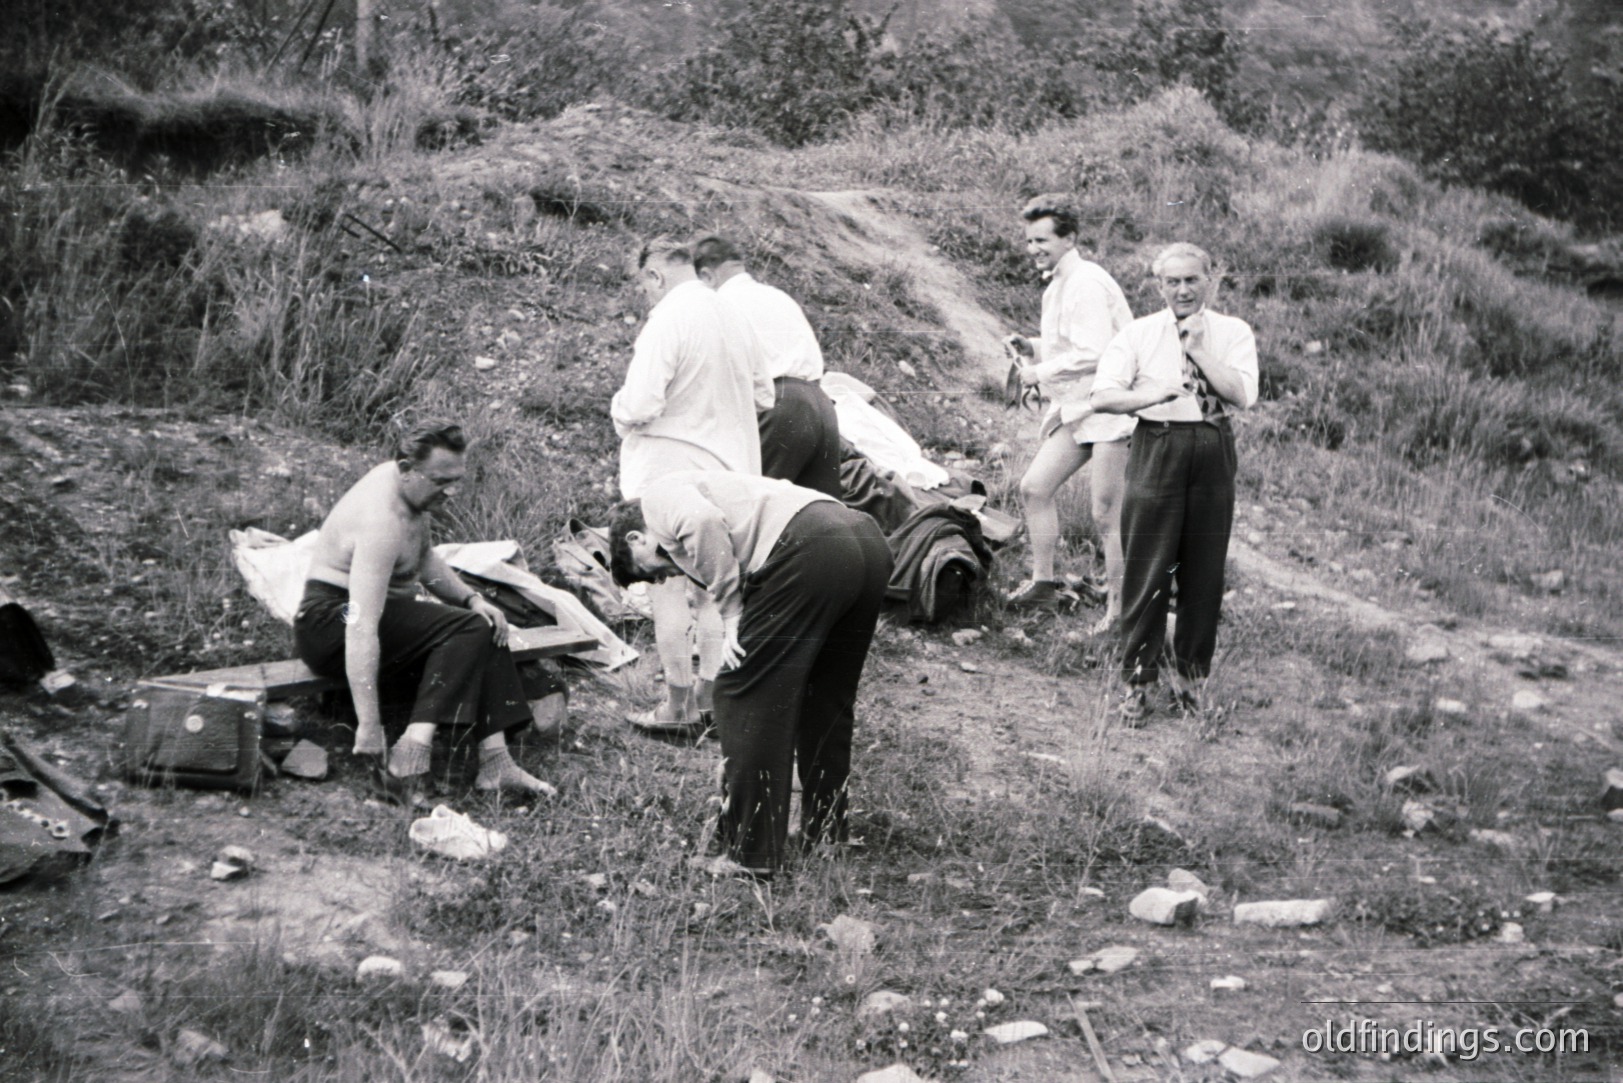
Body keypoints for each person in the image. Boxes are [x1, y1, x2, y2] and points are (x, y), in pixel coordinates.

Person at [607, 471, 891, 877]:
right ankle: (827, 832)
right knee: (824, 696)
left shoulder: (658, 496)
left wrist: (732, 612)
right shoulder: (716, 491)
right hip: (863, 539)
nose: (663, 577)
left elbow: (702, 522)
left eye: (650, 571)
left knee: (742, 693)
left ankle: (751, 855)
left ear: (636, 539)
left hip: (811, 545)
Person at [293, 420, 559, 799]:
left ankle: (496, 764)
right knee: (468, 629)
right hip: (331, 624)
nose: (451, 491)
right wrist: (369, 725)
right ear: (406, 470)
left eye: (457, 479)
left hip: (372, 617)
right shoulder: (380, 520)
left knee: (483, 623)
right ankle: (407, 759)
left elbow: (424, 558)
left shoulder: (408, 491)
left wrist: (471, 599)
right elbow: (360, 626)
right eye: (440, 481)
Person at [1090, 242, 1259, 722]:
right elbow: (1102, 396)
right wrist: (1148, 394)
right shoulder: (1139, 333)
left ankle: (1190, 681)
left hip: (1211, 446)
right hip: (1157, 444)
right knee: (1149, 567)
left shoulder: (1233, 331)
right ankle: (1138, 683)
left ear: (1210, 280)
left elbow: (1242, 395)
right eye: (1172, 281)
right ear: (1159, 285)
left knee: (1204, 572)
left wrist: (1200, 350)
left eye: (1192, 280)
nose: (1182, 289)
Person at [612, 238, 775, 731]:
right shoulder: (733, 314)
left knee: (667, 590)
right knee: (711, 592)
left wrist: (618, 412)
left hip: (667, 468)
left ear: (656, 276)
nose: (646, 297)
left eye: (644, 286)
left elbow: (639, 403)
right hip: (728, 471)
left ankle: (676, 707)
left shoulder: (668, 318)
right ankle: (709, 702)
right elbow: (765, 395)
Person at [1002, 195, 1135, 633]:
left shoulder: (1086, 282)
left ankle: (1119, 615)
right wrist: (1034, 349)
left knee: (1105, 514)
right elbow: (1072, 345)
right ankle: (1044, 585)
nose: (1033, 248)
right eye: (1029, 240)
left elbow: (1095, 352)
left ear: (1070, 238)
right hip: (1079, 408)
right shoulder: (1059, 281)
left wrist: (1037, 371)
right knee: (1035, 487)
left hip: (1114, 408)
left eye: (1042, 240)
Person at [692, 235, 843, 499]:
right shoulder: (777, 296)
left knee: (755, 504)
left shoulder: (720, 304)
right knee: (820, 510)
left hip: (780, 407)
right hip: (821, 405)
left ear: (706, 276)